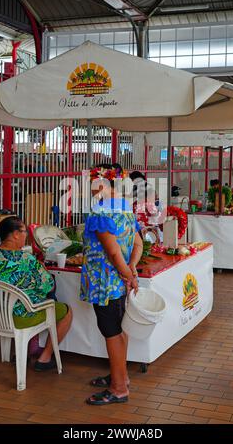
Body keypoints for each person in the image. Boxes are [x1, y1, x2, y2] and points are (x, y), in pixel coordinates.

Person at [0, 216, 72, 371]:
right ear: (15, 234)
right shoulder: (26, 259)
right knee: (65, 311)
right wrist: (43, 270)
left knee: (29, 301)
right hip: (21, 318)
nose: (26, 235)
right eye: (24, 231)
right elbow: (48, 286)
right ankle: (44, 358)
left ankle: (24, 350)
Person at [81, 163, 143, 405]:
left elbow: (114, 252)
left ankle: (118, 389)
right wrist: (132, 271)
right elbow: (137, 245)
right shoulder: (126, 209)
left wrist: (127, 274)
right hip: (118, 282)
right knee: (119, 329)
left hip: (104, 284)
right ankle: (121, 377)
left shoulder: (100, 213)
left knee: (111, 332)